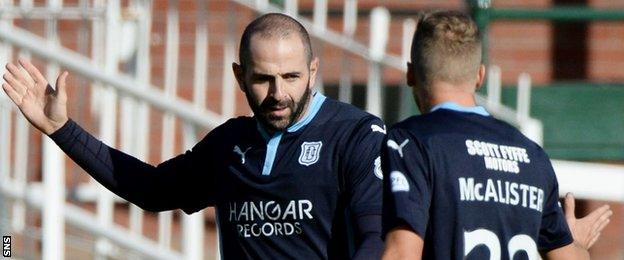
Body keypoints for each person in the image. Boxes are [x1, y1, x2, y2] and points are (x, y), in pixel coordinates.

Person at [1, 13, 384, 259]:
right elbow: (151, 188)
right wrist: (61, 130)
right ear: (239, 76)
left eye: (291, 77)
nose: (278, 93)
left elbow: (377, 238)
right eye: (263, 79)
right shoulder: (229, 145)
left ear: (313, 71)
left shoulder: (355, 135)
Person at [380, 11, 612, 259]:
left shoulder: (411, 141)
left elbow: (402, 254)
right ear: (480, 76)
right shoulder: (531, 156)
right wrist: (575, 243)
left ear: (410, 73)